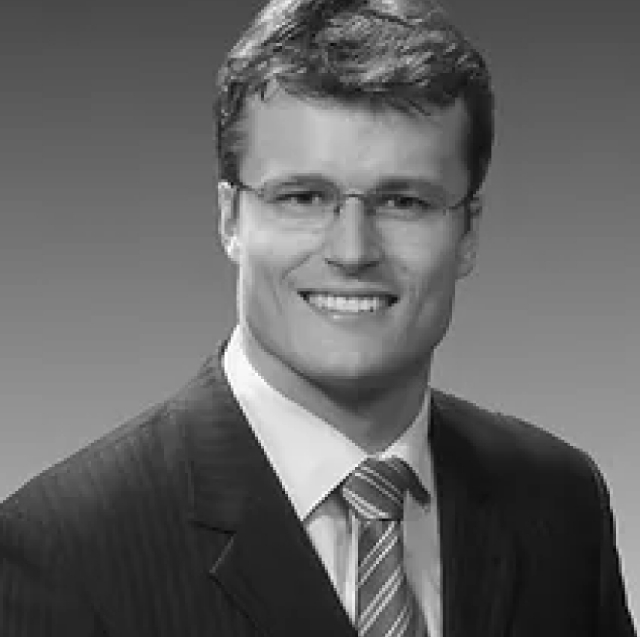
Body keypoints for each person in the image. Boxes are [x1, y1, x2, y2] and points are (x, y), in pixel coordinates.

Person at [0, 0, 635, 635]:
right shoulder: (62, 550)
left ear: (468, 232)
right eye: (303, 197)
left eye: (404, 202)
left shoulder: (560, 501)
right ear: (230, 219)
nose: (352, 251)